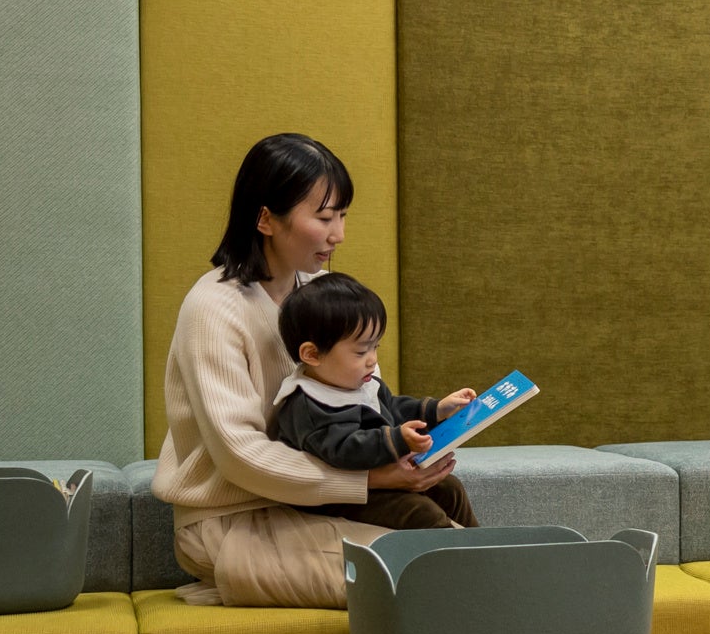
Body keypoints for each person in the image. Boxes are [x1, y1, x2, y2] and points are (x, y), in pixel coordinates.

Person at [154, 133, 462, 607]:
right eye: (324, 217)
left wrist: (419, 436)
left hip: (315, 504)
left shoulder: (320, 294)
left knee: (460, 542)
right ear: (265, 219)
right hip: (234, 521)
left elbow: (364, 397)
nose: (338, 234)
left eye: (342, 216)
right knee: (431, 572)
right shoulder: (213, 308)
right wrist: (371, 479)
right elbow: (240, 455)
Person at [270, 271, 481, 532]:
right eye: (361, 351)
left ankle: (480, 547)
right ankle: (448, 555)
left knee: (451, 489)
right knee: (421, 513)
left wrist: (436, 409)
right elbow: (343, 449)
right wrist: (397, 439)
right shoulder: (308, 404)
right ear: (312, 354)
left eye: (375, 347)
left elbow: (391, 407)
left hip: (376, 477)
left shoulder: (357, 380)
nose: (372, 360)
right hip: (336, 497)